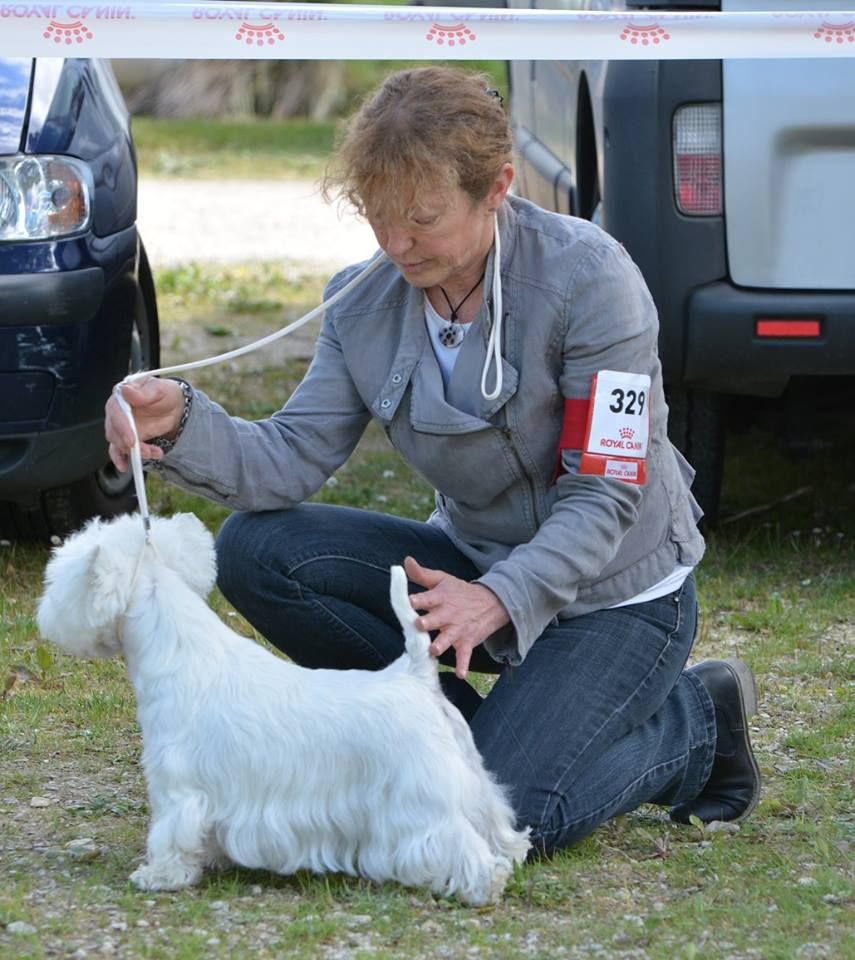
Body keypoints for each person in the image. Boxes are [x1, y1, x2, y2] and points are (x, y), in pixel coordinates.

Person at [105, 67, 760, 855]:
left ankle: (695, 720)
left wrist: (498, 597)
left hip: (615, 596)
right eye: (376, 214)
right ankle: (452, 746)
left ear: (497, 189)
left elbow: (604, 493)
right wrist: (180, 420)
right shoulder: (360, 301)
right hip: (469, 569)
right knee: (257, 550)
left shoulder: (593, 280)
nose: (394, 244)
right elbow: (288, 458)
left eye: (421, 218)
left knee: (508, 820)